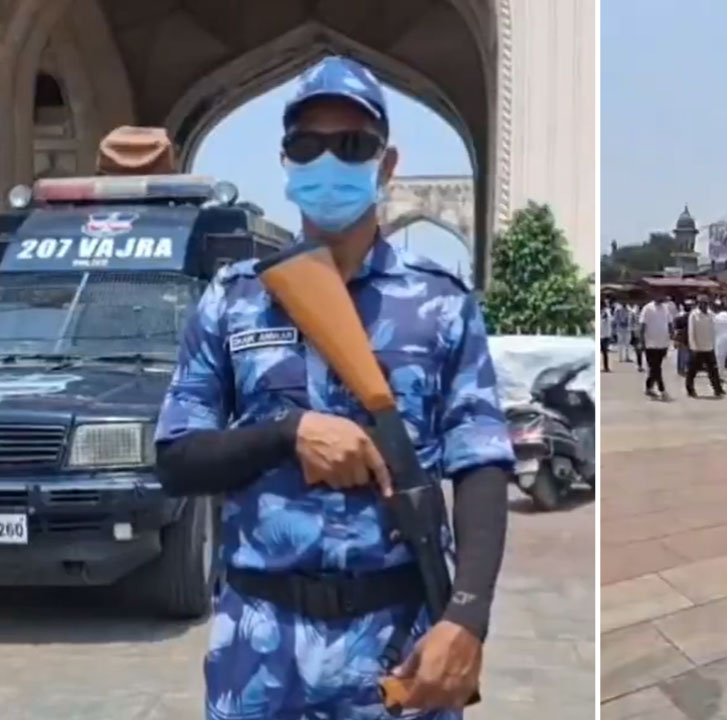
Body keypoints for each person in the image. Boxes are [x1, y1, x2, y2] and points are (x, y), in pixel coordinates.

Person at [154, 57, 514, 720]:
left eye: (351, 145)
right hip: (261, 648)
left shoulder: (439, 303)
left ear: (386, 163)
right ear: (286, 161)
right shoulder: (234, 301)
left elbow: (482, 462)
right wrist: (287, 436)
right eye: (307, 145)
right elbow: (177, 458)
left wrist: (467, 619)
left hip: (399, 644)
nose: (328, 161)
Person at [686, 295, 725, 398]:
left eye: (706, 303)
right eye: (702, 303)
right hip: (697, 348)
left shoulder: (711, 314)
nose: (704, 305)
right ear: (698, 304)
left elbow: (714, 330)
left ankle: (717, 389)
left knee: (713, 371)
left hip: (709, 347)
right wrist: (693, 346)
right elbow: (691, 331)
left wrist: (714, 344)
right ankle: (690, 390)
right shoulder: (694, 315)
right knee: (692, 371)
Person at [640, 292, 673, 400]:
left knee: (654, 368)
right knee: (656, 368)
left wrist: (671, 337)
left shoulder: (666, 308)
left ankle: (648, 387)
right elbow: (642, 325)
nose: (662, 297)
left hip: (663, 343)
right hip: (650, 343)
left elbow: (669, 323)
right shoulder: (647, 308)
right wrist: (641, 341)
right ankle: (662, 390)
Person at [674, 299, 693, 377]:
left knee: (681, 354)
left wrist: (675, 339)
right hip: (687, 336)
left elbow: (676, 328)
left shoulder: (678, 316)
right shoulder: (691, 316)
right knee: (686, 354)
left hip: (681, 337)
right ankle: (684, 369)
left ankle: (681, 369)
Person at [599, 298, 613, 373]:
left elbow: (607, 322)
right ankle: (605, 367)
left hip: (604, 334)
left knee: (604, 352)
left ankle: (606, 367)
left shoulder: (606, 313)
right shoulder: (604, 312)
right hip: (603, 334)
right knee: (604, 352)